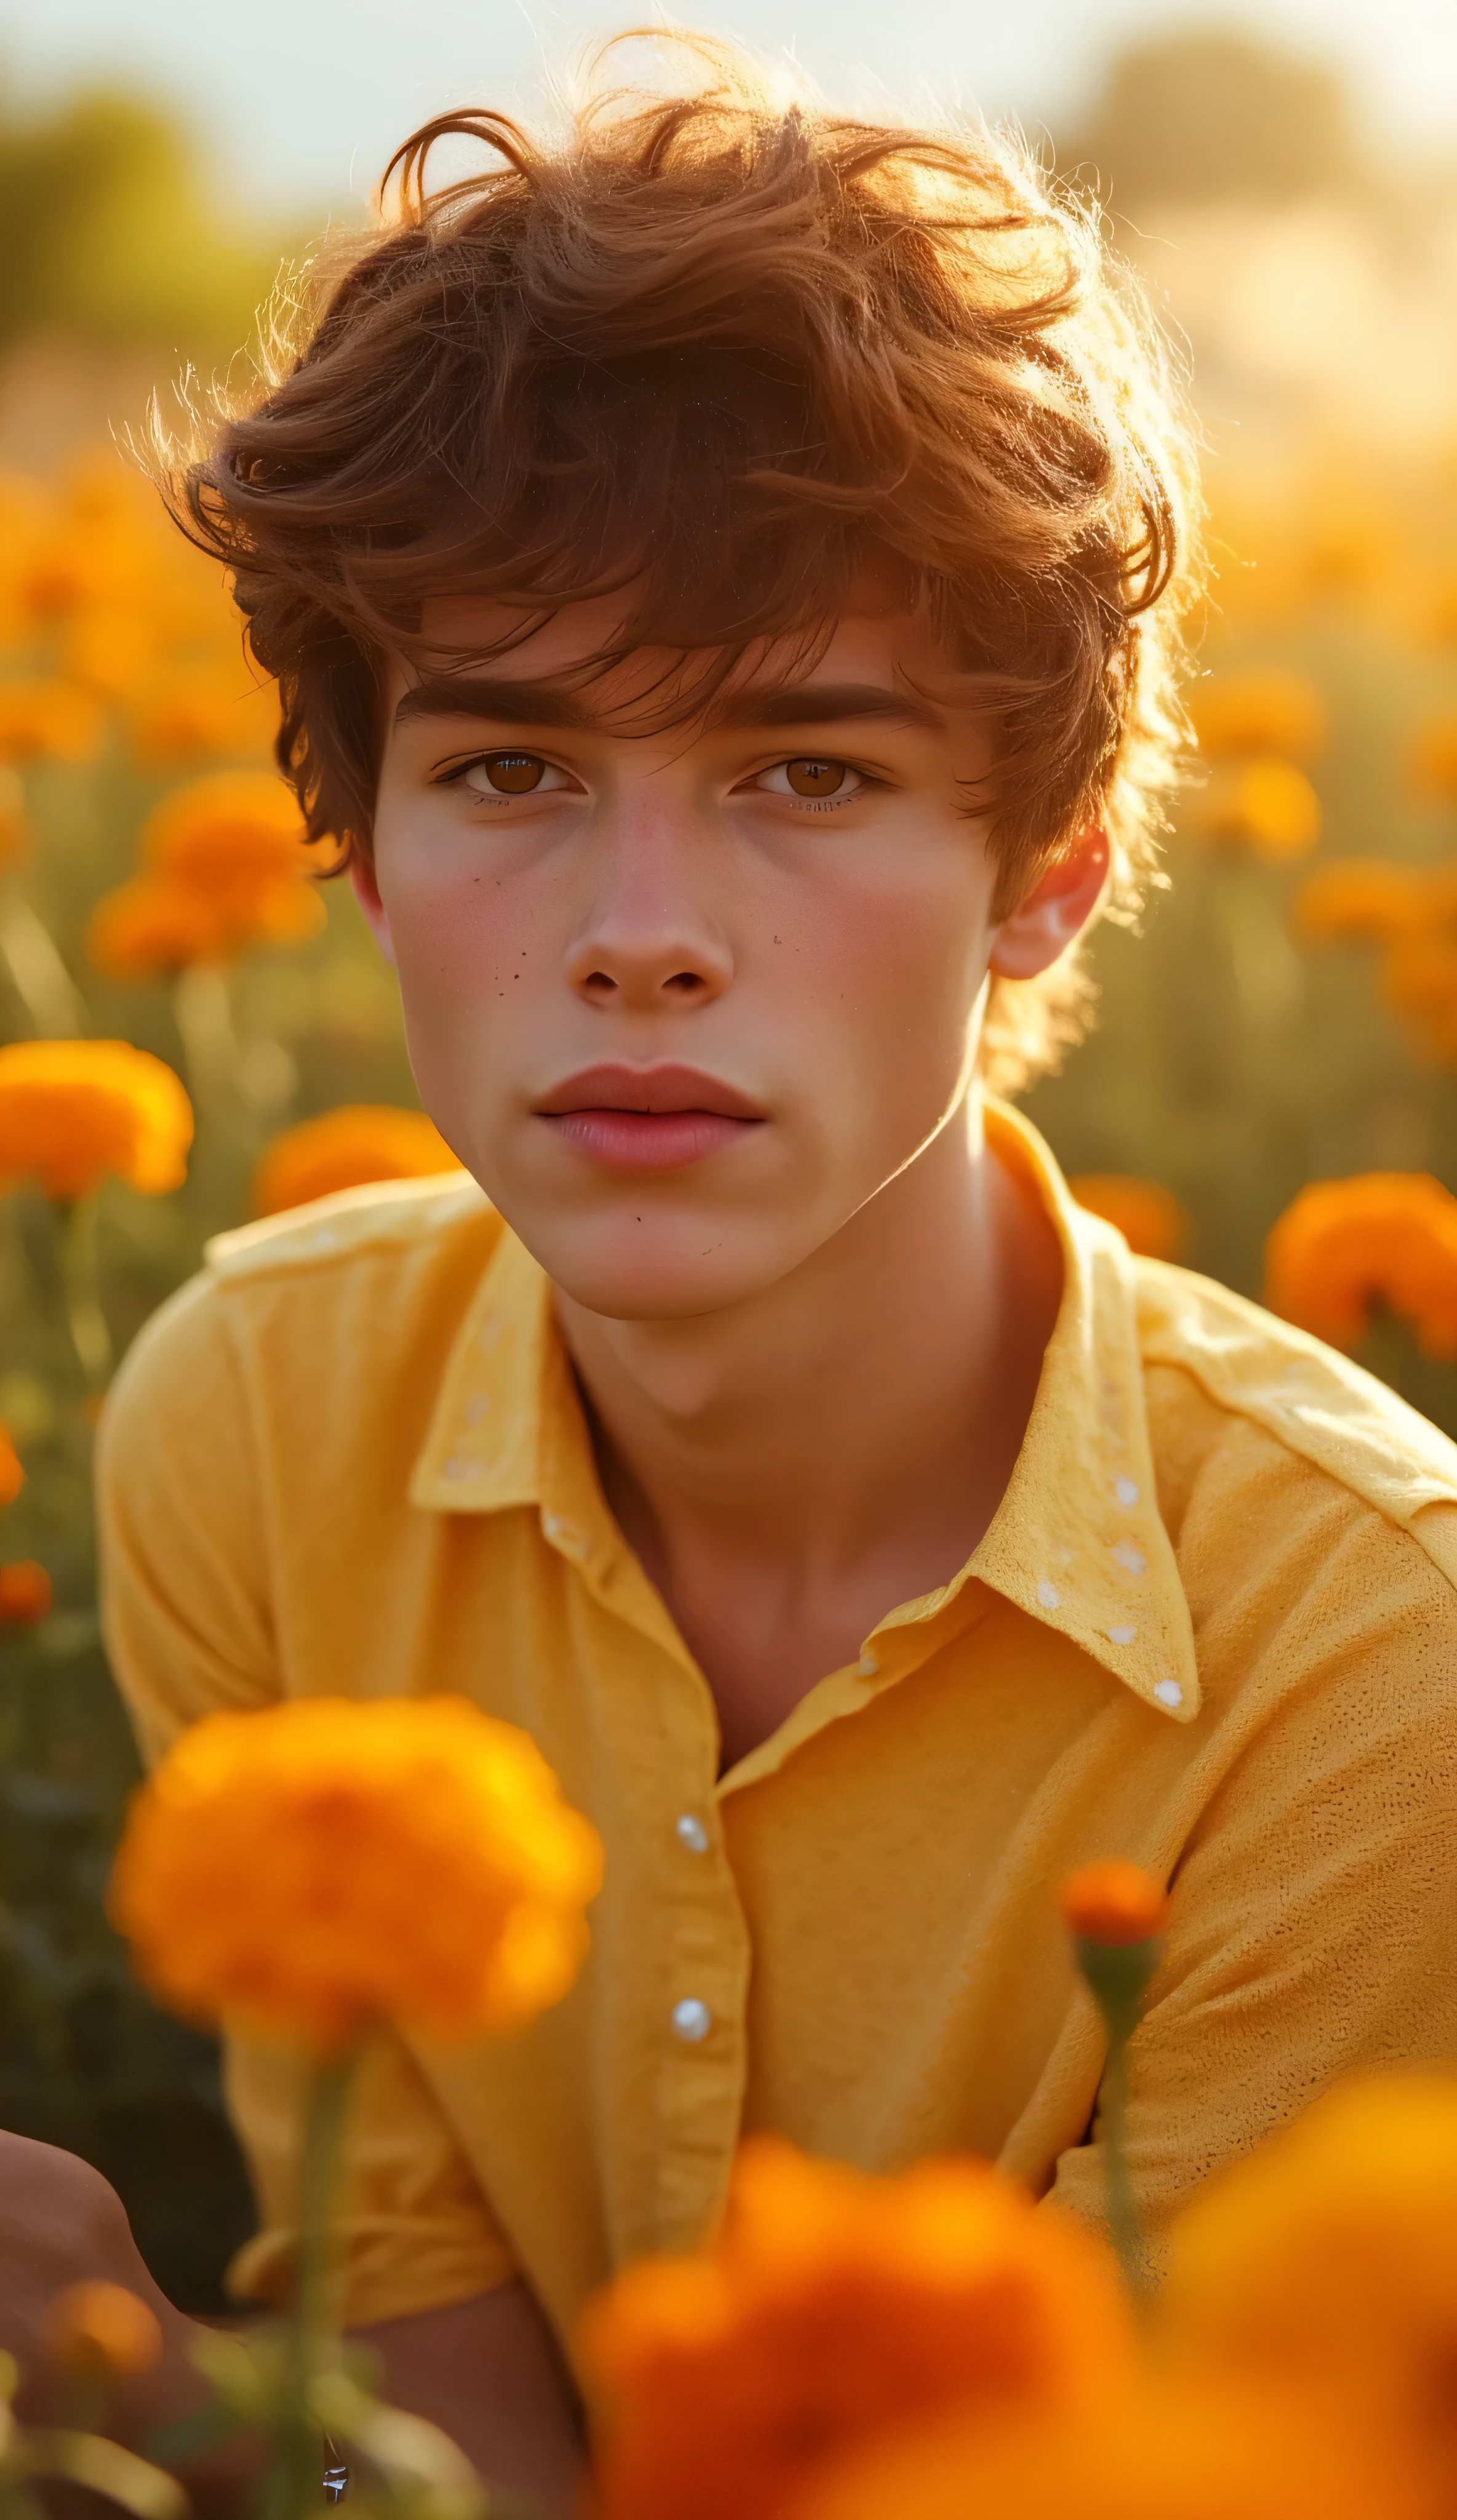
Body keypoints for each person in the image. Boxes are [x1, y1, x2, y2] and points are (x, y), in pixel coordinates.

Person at [3, 35, 1456, 2517]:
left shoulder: (1368, 1678)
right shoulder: (239, 1423)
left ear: (1051, 875)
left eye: (805, 771)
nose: (641, 939)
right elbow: (433, 2370)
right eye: (511, 771)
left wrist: (177, 2419)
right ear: (352, 852)